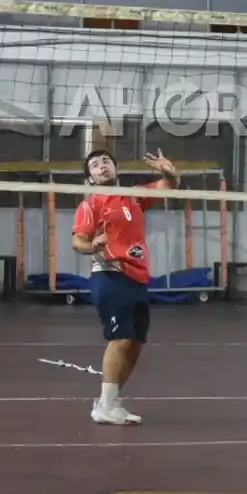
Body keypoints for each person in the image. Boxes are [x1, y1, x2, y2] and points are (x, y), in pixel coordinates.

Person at [71, 147, 180, 425]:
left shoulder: (133, 195)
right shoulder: (91, 204)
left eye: (106, 160)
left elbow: (168, 185)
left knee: (135, 343)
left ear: (115, 168)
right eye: (95, 165)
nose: (102, 165)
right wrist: (92, 245)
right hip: (109, 275)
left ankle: (111, 401)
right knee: (119, 339)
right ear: (90, 178)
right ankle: (104, 406)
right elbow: (78, 240)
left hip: (137, 277)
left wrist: (170, 172)